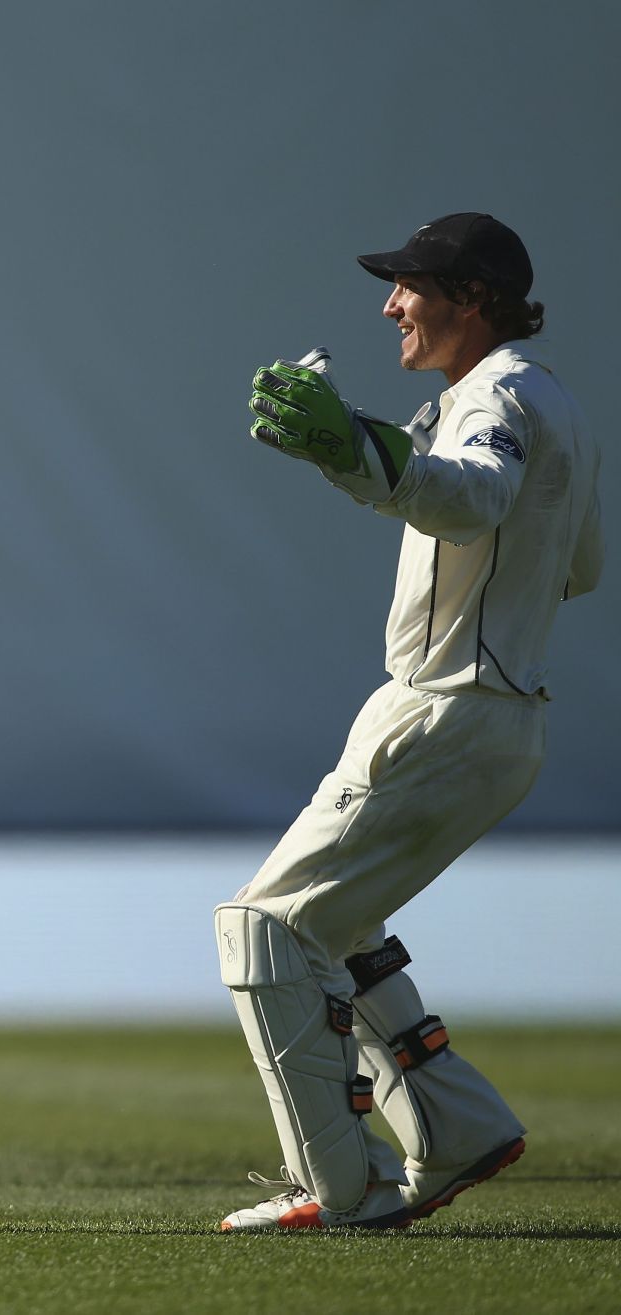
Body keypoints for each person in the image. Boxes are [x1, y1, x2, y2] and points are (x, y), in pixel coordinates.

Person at [221, 212, 602, 1231]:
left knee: (266, 928)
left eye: (410, 285)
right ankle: (459, 1125)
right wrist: (362, 448)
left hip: (446, 709)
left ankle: (342, 1189)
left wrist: (351, 446)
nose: (392, 304)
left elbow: (472, 499)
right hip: (500, 713)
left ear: (471, 296)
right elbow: (583, 564)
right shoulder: (550, 398)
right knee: (331, 923)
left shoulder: (498, 395)